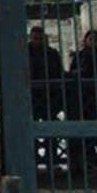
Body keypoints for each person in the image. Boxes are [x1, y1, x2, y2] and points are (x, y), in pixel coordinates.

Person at [67, 29, 97, 174]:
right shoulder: (80, 55)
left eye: (94, 39)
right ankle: (88, 160)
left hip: (95, 95)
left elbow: (95, 71)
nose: (91, 41)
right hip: (80, 96)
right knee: (84, 128)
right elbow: (73, 71)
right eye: (89, 38)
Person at [28, 26, 63, 166]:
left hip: (49, 97)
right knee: (31, 129)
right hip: (31, 97)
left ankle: (52, 159)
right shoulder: (25, 52)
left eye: (39, 38)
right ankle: (33, 158)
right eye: (35, 37)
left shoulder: (51, 53)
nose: (37, 40)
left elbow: (58, 72)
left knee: (51, 129)